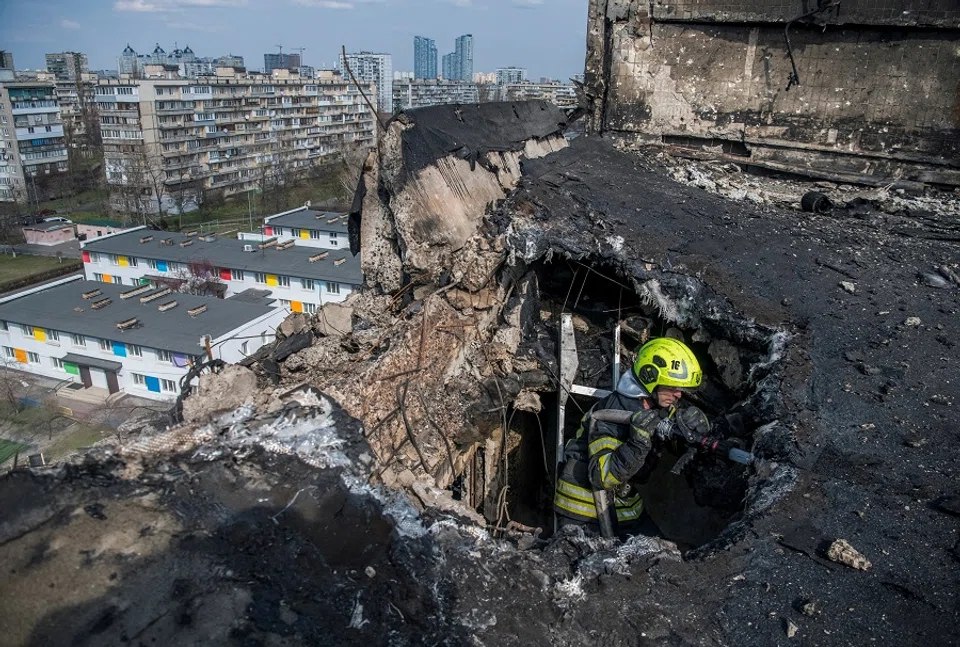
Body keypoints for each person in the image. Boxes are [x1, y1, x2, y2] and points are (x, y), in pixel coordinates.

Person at [553, 337, 710, 537]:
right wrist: (638, 442)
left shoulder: (657, 407)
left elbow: (673, 441)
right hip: (583, 510)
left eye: (680, 389)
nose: (678, 395)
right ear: (650, 377)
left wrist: (696, 429)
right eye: (672, 387)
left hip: (625, 506)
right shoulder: (612, 412)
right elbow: (602, 476)